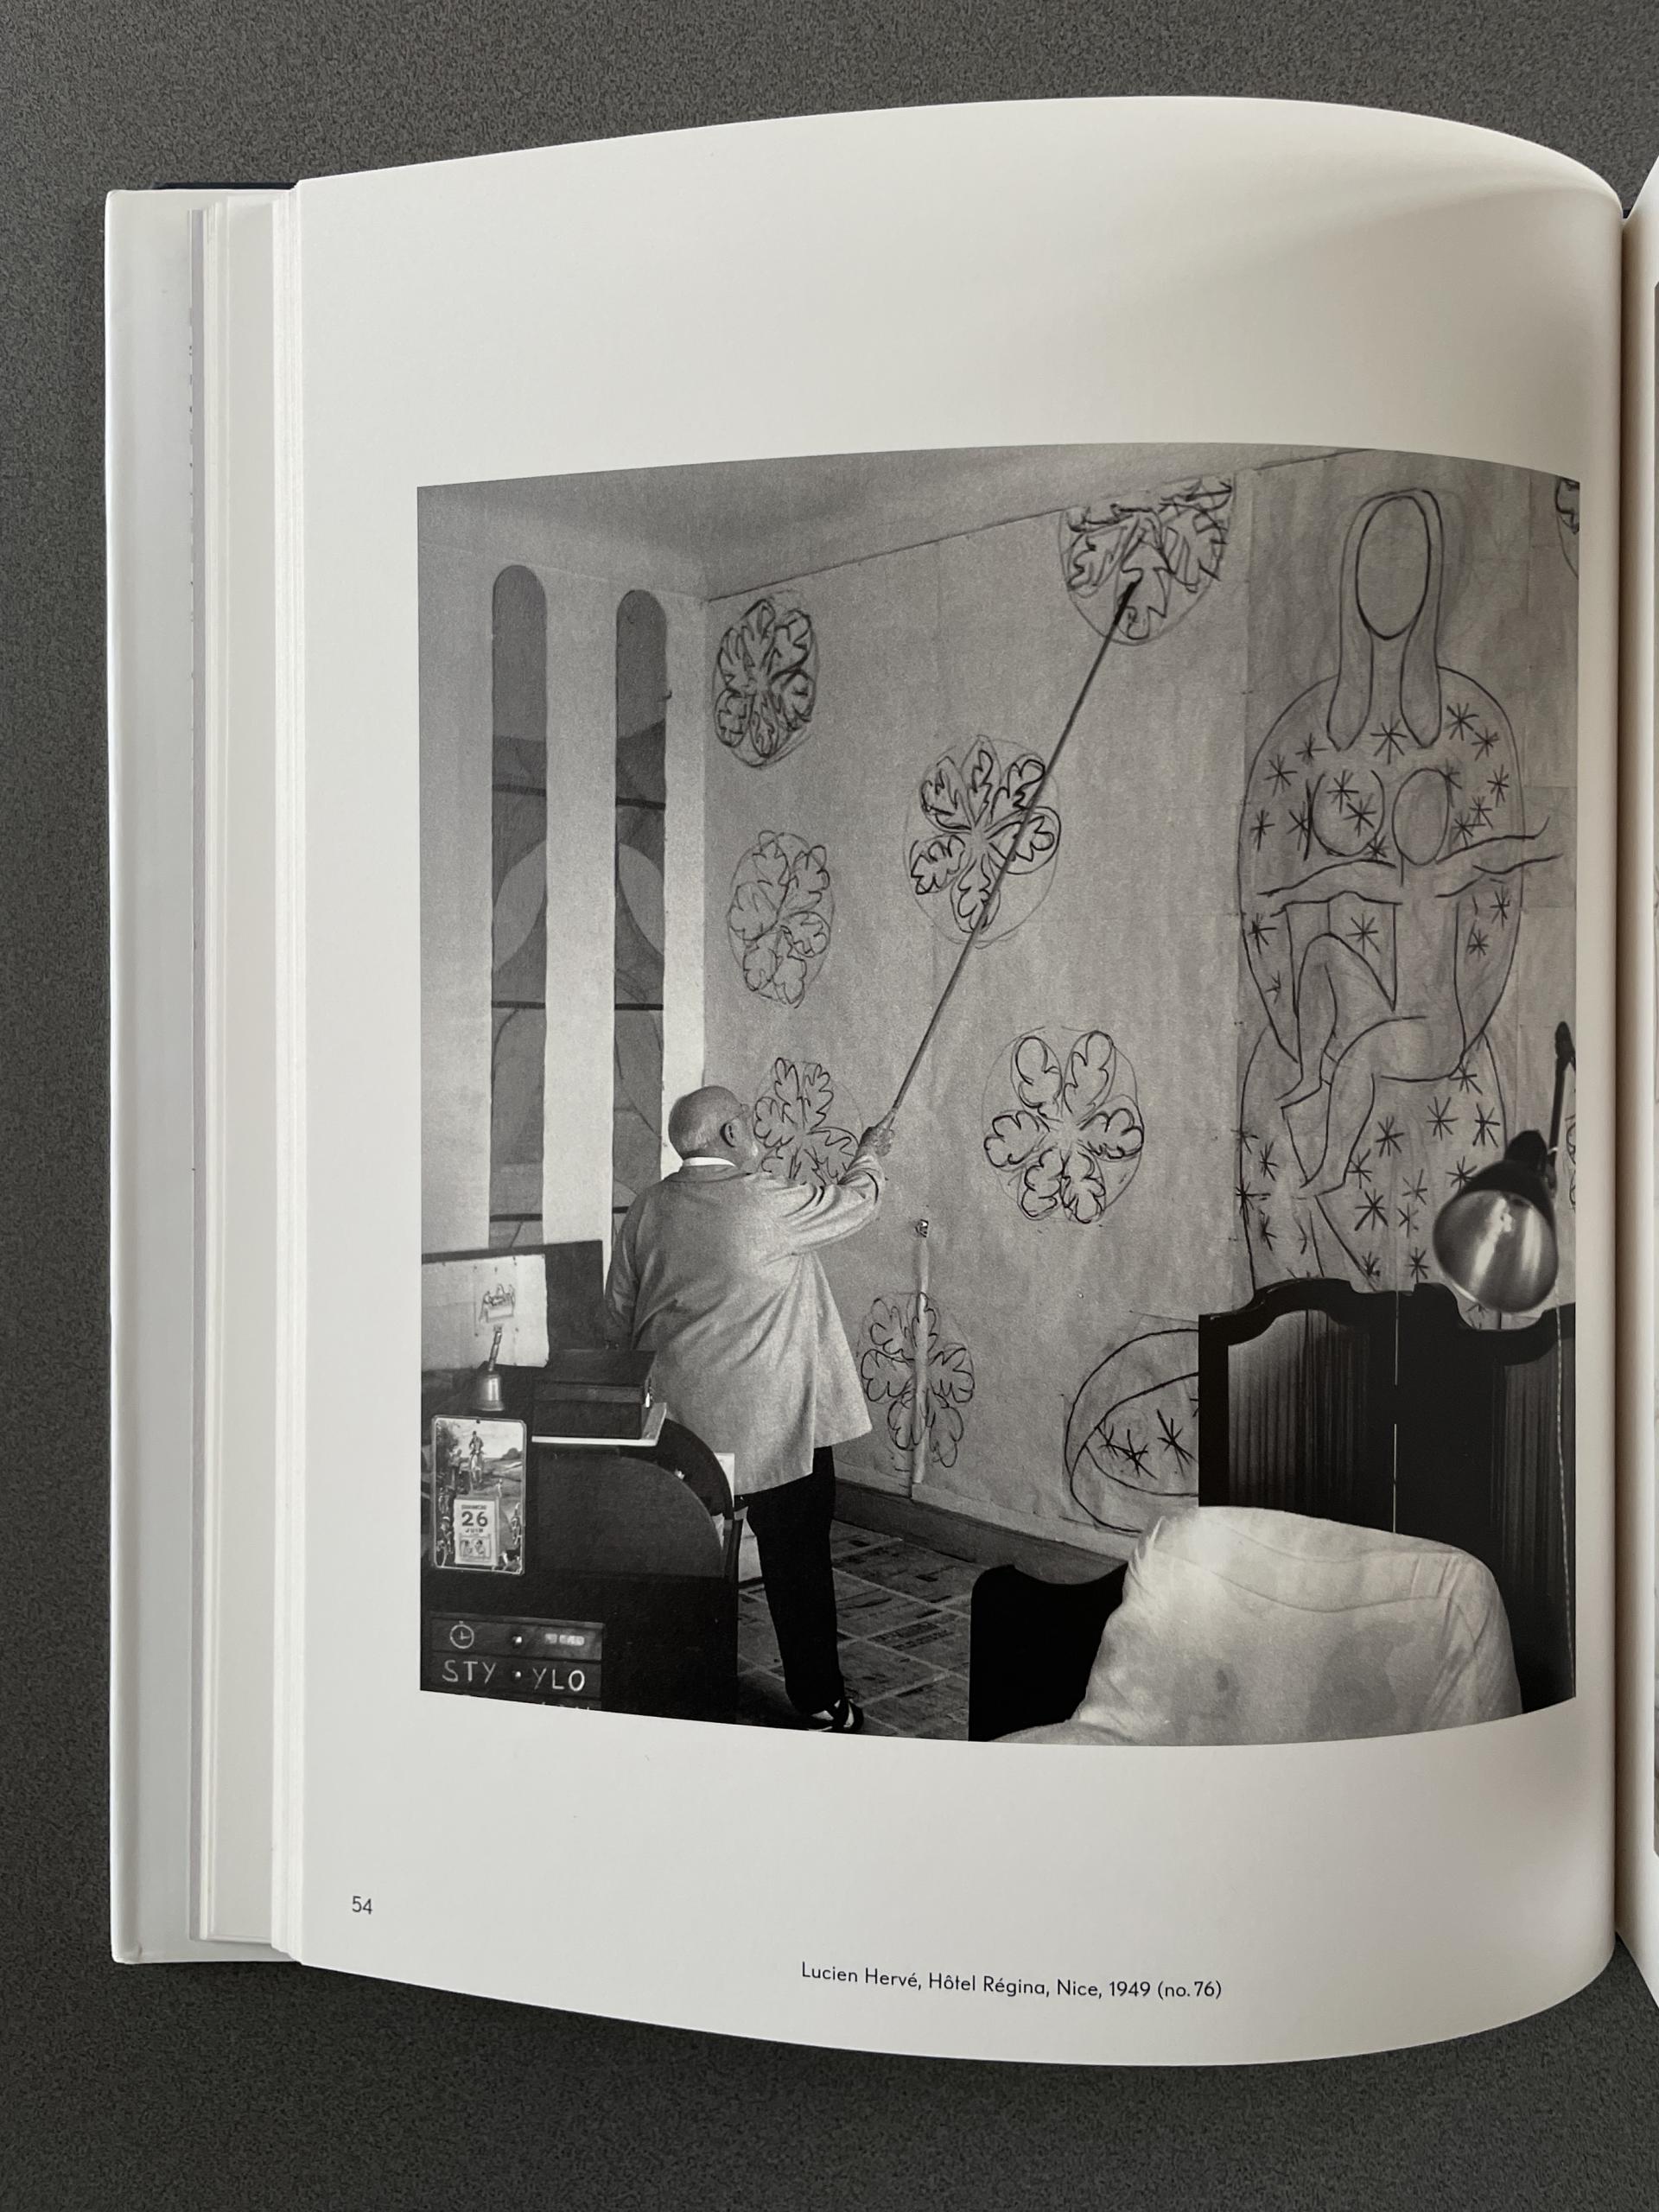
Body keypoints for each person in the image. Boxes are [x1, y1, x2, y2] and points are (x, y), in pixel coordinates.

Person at [605, 1084, 895, 1732]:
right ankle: (820, 1701)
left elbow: (618, 1316)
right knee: (797, 1557)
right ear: (732, 1135)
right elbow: (859, 1202)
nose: (756, 1132)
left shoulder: (648, 1207)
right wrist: (871, 1153)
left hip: (677, 1430)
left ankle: (667, 1687)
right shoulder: (765, 1200)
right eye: (748, 1122)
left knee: (677, 1552)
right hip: (771, 1424)